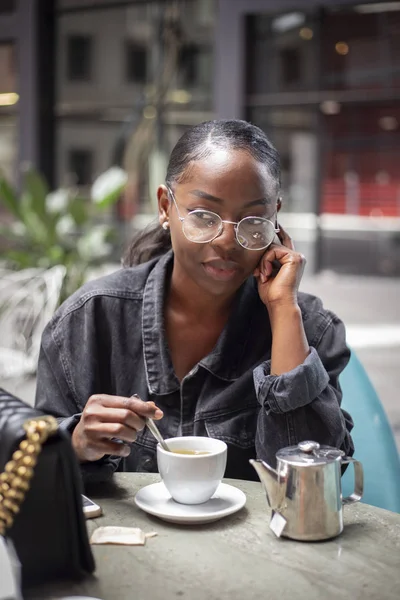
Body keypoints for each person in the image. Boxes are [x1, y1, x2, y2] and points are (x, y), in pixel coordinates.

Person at [35, 119, 354, 483]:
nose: (227, 241)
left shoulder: (308, 326)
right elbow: (28, 465)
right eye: (204, 216)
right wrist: (75, 441)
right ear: (164, 207)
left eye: (253, 219)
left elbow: (314, 480)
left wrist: (283, 311)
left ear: (275, 219)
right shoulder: (89, 320)